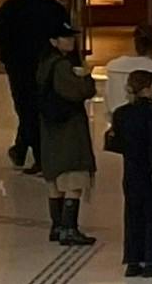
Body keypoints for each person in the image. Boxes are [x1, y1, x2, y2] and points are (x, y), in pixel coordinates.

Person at [0, 0, 78, 167]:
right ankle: (25, 151)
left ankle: (37, 155)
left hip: (18, 65)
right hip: (47, 65)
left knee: (25, 108)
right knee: (41, 107)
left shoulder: (11, 7)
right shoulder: (54, 7)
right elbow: (66, 38)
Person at [108, 62, 152, 280]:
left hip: (132, 171)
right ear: (149, 87)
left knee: (133, 214)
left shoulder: (121, 114)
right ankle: (151, 261)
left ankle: (132, 261)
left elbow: (116, 143)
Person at [35, 33, 102, 249]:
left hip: (50, 128)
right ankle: (69, 229)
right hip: (68, 129)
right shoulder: (63, 66)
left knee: (55, 182)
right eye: (65, 38)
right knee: (74, 177)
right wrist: (86, 78)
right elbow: (81, 91)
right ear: (53, 41)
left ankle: (57, 226)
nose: (71, 42)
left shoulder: (44, 64)